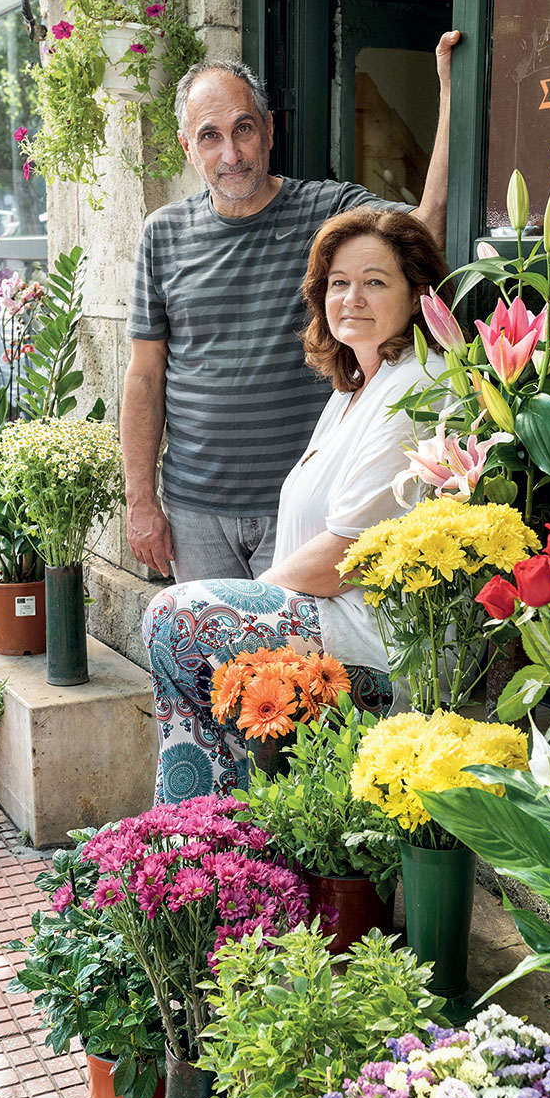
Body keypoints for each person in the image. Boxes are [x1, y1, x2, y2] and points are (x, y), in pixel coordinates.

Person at [122, 33, 460, 583]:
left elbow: (429, 226)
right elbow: (144, 375)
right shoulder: (162, 234)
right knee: (211, 664)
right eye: (210, 137)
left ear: (270, 129)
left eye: (243, 129)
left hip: (303, 505)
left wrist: (450, 93)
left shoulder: (328, 211)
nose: (230, 154)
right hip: (194, 510)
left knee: (291, 669)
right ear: (188, 148)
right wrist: (141, 501)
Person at [143, 207, 449, 804]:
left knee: (179, 618)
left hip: (374, 644)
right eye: (338, 282)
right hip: (323, 622)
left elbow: (347, 555)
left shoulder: (416, 385)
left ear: (417, 298)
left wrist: (256, 599)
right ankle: (196, 848)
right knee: (193, 671)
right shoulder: (355, 390)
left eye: (375, 281)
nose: (351, 297)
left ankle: (198, 840)